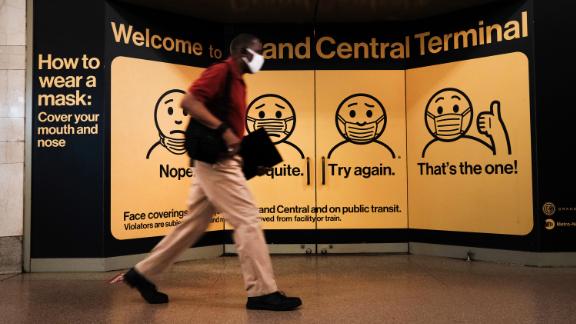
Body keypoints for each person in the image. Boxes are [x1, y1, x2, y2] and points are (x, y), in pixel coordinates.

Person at [111, 34, 302, 311]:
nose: (263, 58)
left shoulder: (239, 81)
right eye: (259, 52)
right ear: (243, 53)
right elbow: (188, 102)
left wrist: (249, 157)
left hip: (216, 162)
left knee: (194, 224)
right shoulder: (220, 71)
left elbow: (232, 127)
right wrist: (223, 130)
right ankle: (262, 292)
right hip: (217, 163)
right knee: (248, 220)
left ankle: (142, 274)